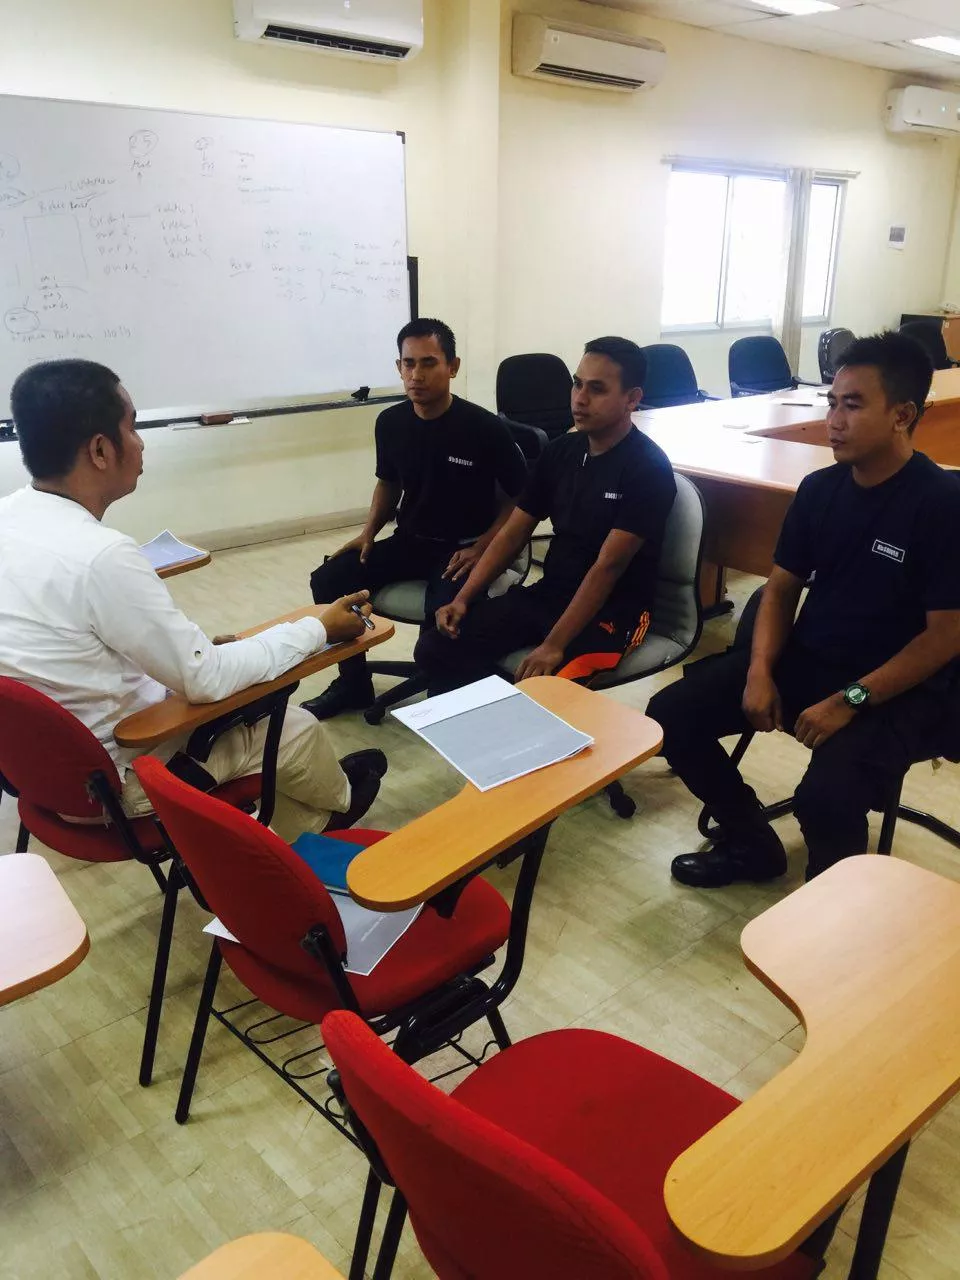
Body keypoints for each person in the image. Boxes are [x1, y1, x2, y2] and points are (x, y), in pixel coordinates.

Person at [0, 359, 387, 844]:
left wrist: (199, 655)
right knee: (294, 727)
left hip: (38, 776)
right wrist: (321, 629)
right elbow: (206, 680)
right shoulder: (102, 556)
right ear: (100, 450)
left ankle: (295, 829)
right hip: (117, 786)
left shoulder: (8, 517)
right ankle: (331, 817)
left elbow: (77, 643)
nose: (140, 442)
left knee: (227, 665)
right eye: (132, 427)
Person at [648, 332, 960, 888]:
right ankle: (750, 843)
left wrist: (849, 701)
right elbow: (780, 589)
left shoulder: (942, 504)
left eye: (853, 405)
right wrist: (759, 670)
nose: (833, 421)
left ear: (903, 415)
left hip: (900, 692)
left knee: (826, 797)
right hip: (814, 661)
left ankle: (832, 910)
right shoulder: (819, 490)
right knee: (671, 714)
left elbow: (944, 638)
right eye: (832, 403)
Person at [413, 337, 677, 693]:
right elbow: (513, 533)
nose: (580, 399)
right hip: (550, 593)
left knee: (549, 689)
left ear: (632, 398)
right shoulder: (560, 452)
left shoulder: (647, 468)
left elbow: (608, 567)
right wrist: (463, 598)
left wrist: (554, 644)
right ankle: (487, 723)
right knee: (436, 648)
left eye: (597, 389)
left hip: (614, 613)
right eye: (577, 384)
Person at [303, 317, 527, 719]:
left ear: (452, 367)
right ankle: (353, 683)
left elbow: (521, 498)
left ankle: (445, 701)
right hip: (411, 541)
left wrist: (483, 547)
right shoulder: (391, 423)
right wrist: (368, 533)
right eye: (409, 364)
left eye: (428, 363)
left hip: (462, 549)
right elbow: (388, 483)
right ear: (398, 367)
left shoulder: (484, 428)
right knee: (329, 579)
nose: (416, 375)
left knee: (444, 622)